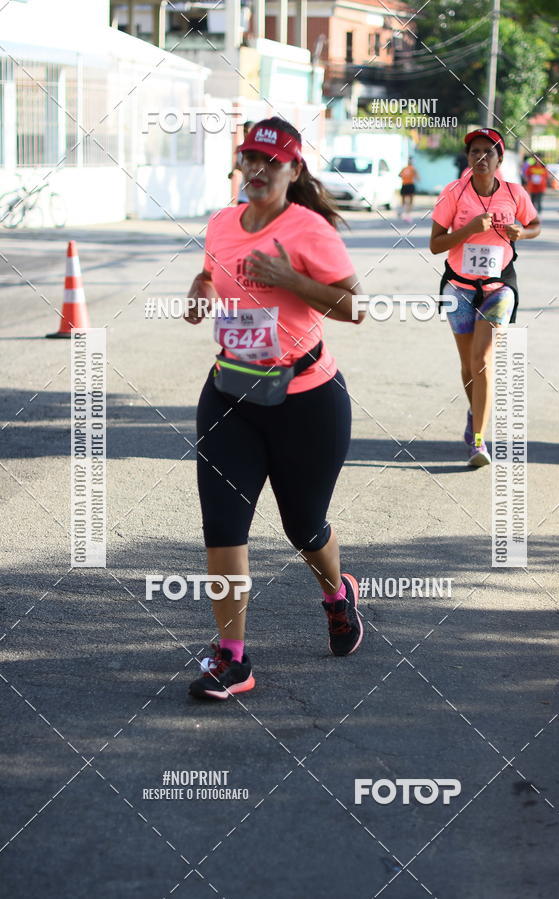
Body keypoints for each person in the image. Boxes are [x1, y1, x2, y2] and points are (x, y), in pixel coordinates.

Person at [184, 117, 365, 700]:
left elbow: (352, 306)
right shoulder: (220, 222)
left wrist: (290, 277)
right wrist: (201, 292)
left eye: (272, 162)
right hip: (230, 393)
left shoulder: (309, 230)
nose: (257, 171)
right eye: (249, 159)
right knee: (222, 529)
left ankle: (337, 596)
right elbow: (210, 272)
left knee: (303, 526)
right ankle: (232, 658)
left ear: (293, 170)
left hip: (306, 400)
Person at [430, 128, 541, 466]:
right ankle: (474, 413)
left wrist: (523, 232)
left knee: (482, 361)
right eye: (474, 152)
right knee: (468, 365)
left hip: (499, 288)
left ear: (499, 159)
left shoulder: (513, 192)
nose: (480, 157)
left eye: (488, 152)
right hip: (459, 287)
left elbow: (535, 225)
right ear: (468, 158)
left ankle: (478, 442)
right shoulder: (453, 192)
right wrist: (467, 230)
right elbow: (435, 244)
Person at [228, 120, 254, 204]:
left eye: (248, 131)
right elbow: (238, 164)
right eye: (244, 131)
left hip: (255, 194)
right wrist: (233, 171)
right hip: (243, 194)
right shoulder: (240, 149)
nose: (245, 134)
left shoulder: (258, 152)